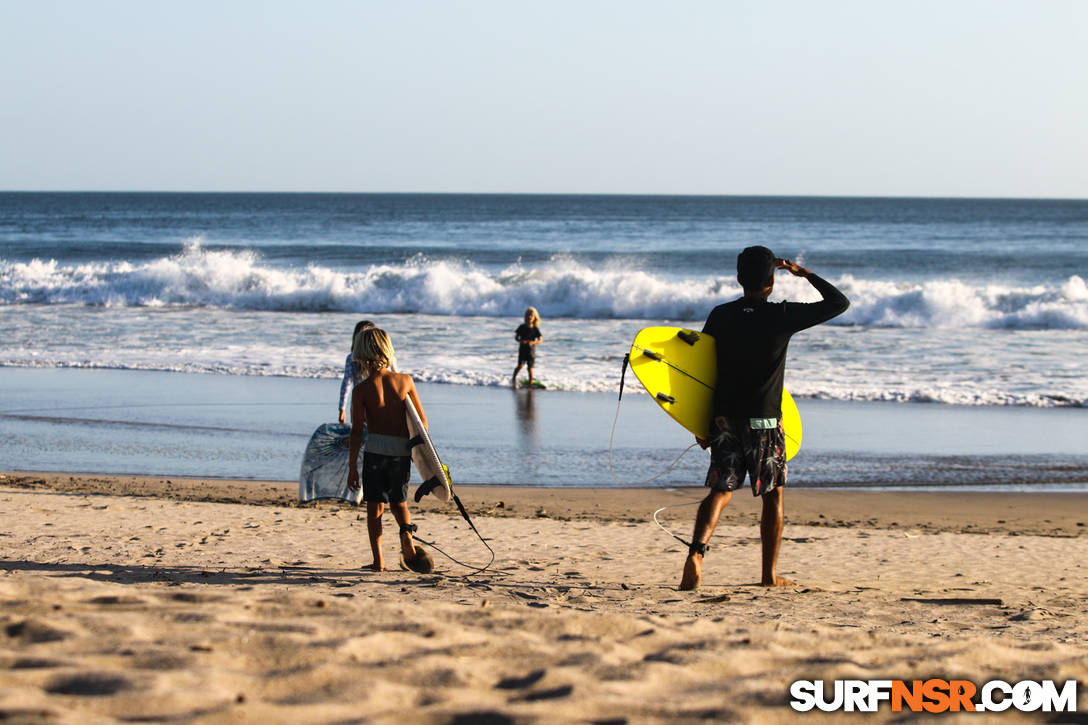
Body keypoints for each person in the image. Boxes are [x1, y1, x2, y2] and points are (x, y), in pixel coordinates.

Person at [680, 246, 849, 590]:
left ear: (739, 279)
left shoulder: (720, 315)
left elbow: (703, 370)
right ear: (771, 280)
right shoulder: (781, 315)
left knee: (720, 489)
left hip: (724, 419)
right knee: (773, 495)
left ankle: (696, 554)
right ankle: (768, 576)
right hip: (765, 422)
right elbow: (838, 303)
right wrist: (804, 273)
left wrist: (701, 421)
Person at [346, 328, 432, 573]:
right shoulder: (405, 380)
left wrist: (352, 466)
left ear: (361, 354)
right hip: (400, 453)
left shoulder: (361, 390)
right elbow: (423, 423)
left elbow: (356, 432)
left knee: (375, 508)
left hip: (374, 453)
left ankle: (378, 561)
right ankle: (406, 536)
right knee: (399, 503)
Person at [338, 320, 397, 423]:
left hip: (359, 401)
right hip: (382, 402)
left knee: (360, 433)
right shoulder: (388, 357)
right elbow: (395, 379)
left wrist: (342, 408)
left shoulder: (351, 358)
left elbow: (346, 383)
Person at [511, 307, 542, 389]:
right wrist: (521, 341)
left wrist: (533, 342)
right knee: (520, 365)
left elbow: (540, 340)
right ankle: (513, 378)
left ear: (535, 317)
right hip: (522, 350)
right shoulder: (522, 327)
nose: (529, 317)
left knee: (530, 367)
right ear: (525, 316)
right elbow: (516, 338)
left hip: (531, 351)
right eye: (528, 315)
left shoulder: (535, 329)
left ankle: (530, 382)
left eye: (531, 316)